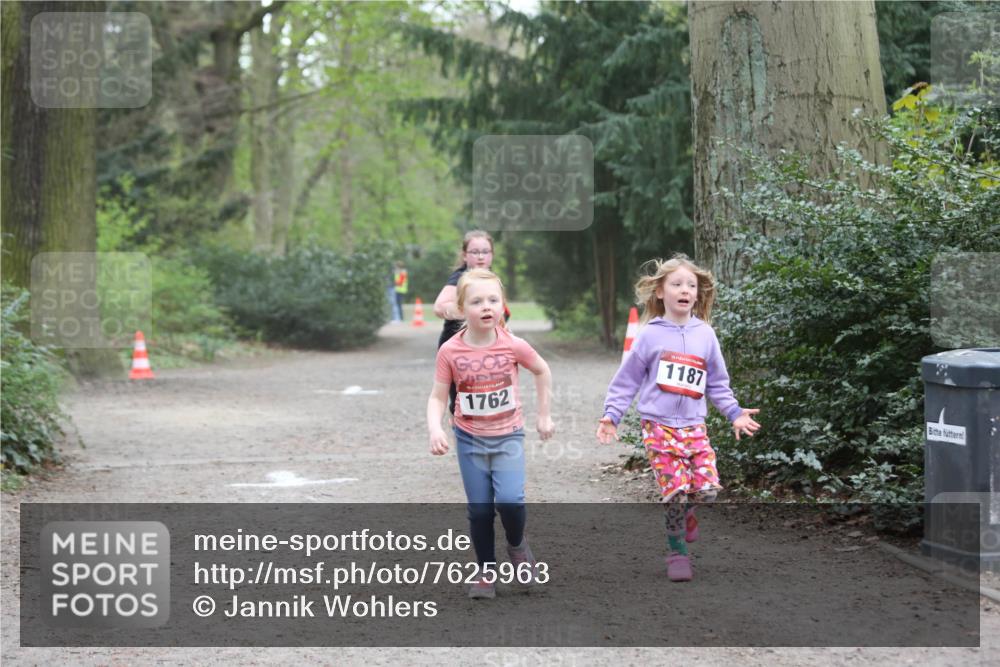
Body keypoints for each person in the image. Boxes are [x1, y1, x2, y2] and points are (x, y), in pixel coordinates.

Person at [596, 254, 760, 582]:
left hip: (695, 426)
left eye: (691, 285)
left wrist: (734, 413)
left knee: (708, 489)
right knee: (675, 492)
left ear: (698, 294)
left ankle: (689, 516)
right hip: (657, 426)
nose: (685, 290)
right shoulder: (649, 335)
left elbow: (717, 382)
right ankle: (676, 553)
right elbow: (627, 379)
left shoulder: (705, 335)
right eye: (676, 284)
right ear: (660, 292)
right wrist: (611, 415)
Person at [427, 268, 554, 599]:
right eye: (477, 301)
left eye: (493, 300)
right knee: (481, 509)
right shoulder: (450, 351)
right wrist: (435, 428)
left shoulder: (513, 345)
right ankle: (486, 571)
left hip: (508, 436)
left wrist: (544, 416)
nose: (486, 307)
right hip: (469, 439)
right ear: (461, 308)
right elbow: (438, 396)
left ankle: (517, 547)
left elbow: (542, 370)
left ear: (503, 305)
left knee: (511, 501)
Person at [433, 230, 509, 413]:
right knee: (462, 403)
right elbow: (439, 307)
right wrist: (469, 313)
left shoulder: (490, 278)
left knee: (487, 399)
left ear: (492, 255)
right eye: (475, 252)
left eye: (485, 251)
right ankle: (463, 436)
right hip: (459, 346)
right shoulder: (461, 278)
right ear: (465, 255)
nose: (481, 256)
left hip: (486, 344)